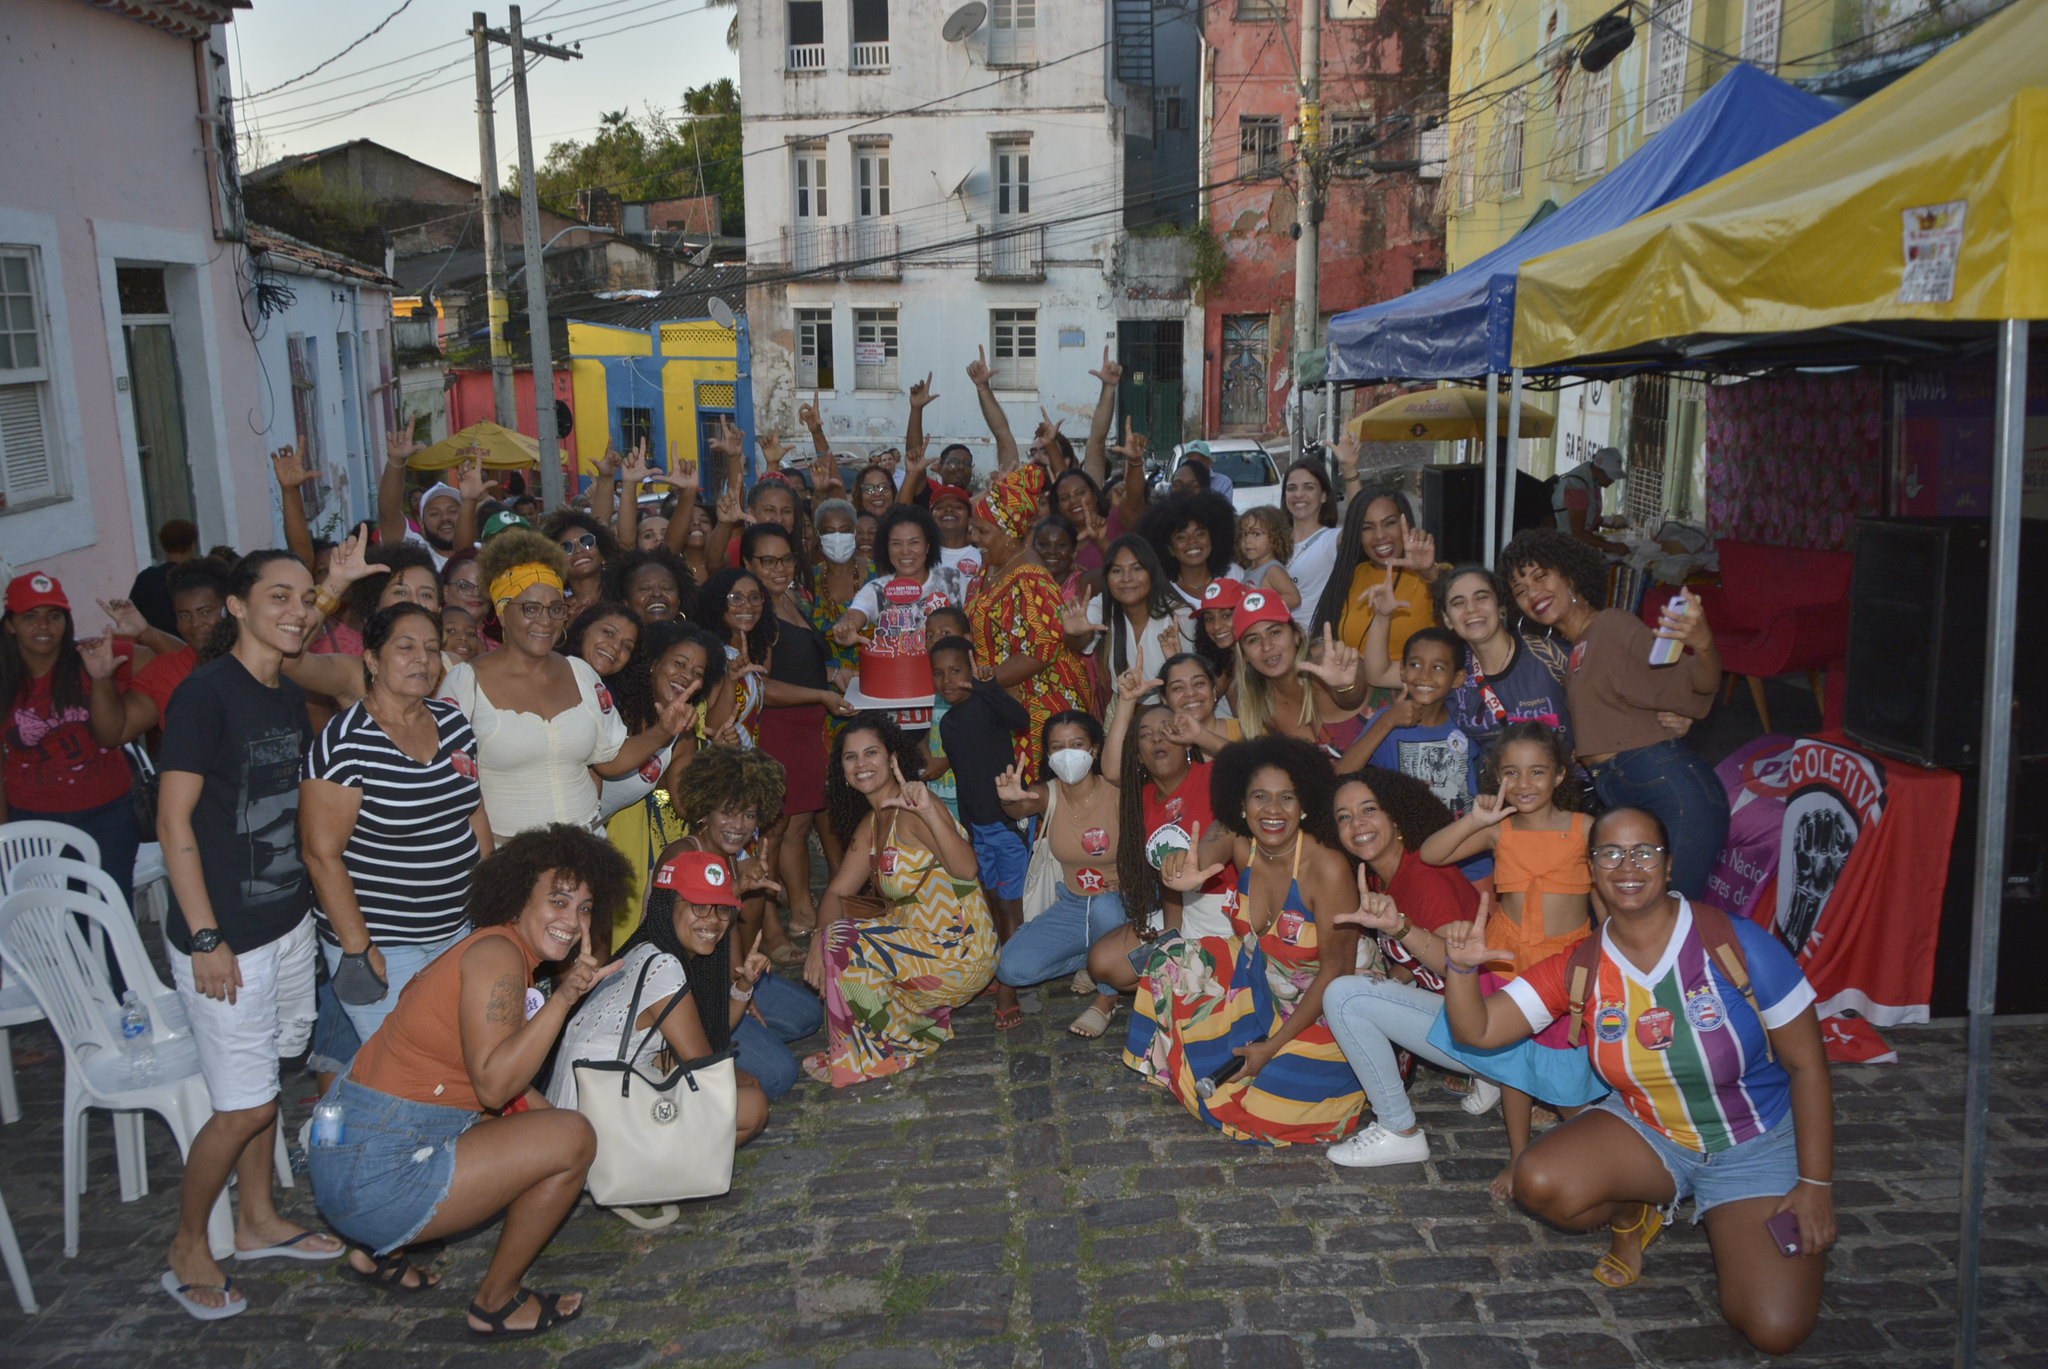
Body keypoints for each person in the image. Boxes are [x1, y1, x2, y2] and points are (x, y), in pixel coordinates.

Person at [1441, 808, 1834, 1354]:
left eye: (1644, 852)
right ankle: (1635, 1212)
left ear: (1669, 866)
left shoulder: (1735, 943)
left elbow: (1809, 1066)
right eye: (1610, 854)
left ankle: (1732, 1213)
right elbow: (1479, 1030)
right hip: (1652, 1133)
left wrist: (1815, 1186)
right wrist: (1459, 970)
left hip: (1754, 1144)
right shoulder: (1580, 965)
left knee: (1774, 1329)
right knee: (1540, 1182)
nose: (1629, 866)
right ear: (1592, 869)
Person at [310, 825, 634, 1337]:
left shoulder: (492, 949)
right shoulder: (501, 961)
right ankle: (496, 1304)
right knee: (574, 1139)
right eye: (558, 901)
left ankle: (378, 1256)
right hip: (374, 1175)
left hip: (340, 1155)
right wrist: (564, 999)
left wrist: (554, 1127)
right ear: (518, 896)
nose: (573, 921)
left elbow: (495, 1077)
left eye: (586, 907)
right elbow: (493, 1087)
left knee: (560, 1130)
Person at [155, 551, 344, 1319]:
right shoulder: (205, 696)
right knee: (238, 1104)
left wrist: (334, 586)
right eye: (278, 597)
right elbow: (172, 823)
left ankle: (258, 1217)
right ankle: (187, 1244)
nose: (297, 610)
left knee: (267, 1080)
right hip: (224, 935)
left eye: (305, 599)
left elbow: (301, 622)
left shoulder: (280, 686)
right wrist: (206, 938)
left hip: (286, 921)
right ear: (235, 605)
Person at [1135, 735, 1366, 1146]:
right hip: (1257, 985)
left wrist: (1274, 1047)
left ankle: (1238, 1058)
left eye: (1287, 798)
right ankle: (1200, 1059)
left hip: (1325, 1005)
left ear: (1306, 804)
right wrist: (1178, 869)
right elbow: (1200, 855)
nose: (1272, 811)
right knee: (1169, 959)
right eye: (1260, 797)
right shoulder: (1240, 841)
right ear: (1241, 803)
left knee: (1267, 1109)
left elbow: (1337, 973)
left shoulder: (1326, 868)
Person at [1418, 721, 1597, 1197]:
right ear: (1497, 777)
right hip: (1507, 959)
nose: (1523, 784)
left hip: (1564, 965)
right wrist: (1475, 821)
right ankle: (1519, 1154)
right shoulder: (1501, 831)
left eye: (1537, 772)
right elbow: (1433, 854)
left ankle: (1598, 1154)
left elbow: (1608, 901)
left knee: (1566, 1069)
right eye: (1511, 773)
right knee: (1512, 1065)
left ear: (1560, 775)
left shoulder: (1587, 830)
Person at [300, 603, 490, 1049]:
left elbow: (473, 812)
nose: (422, 660)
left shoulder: (454, 724)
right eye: (405, 648)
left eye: (431, 648)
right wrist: (359, 946)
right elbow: (320, 853)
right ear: (371, 659)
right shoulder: (344, 743)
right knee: (407, 1066)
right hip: (384, 944)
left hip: (456, 930)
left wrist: (488, 906)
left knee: (457, 1055)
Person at [1500, 529, 1726, 898]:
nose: (1533, 594)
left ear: (1570, 575)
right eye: (1520, 590)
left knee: (1667, 918)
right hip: (1628, 790)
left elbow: (1695, 683)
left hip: (1671, 791)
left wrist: (1703, 645)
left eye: (1541, 577)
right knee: (1637, 919)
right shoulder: (1577, 650)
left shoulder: (1612, 625)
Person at [442, 531, 689, 861]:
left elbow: (611, 760)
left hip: (587, 856)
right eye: (530, 608)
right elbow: (455, 791)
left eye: (555, 608)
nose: (544, 621)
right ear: (502, 611)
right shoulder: (464, 682)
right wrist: (489, 867)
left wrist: (663, 731)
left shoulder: (581, 673)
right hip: (507, 861)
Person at [806, 713, 996, 1086]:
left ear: (893, 756)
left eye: (871, 752)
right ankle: (900, 1033)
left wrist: (929, 810)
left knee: (844, 941)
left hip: (961, 949)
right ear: (841, 769)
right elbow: (836, 892)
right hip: (921, 942)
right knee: (835, 935)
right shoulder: (874, 822)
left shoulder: (912, 810)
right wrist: (817, 937)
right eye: (850, 757)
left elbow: (967, 869)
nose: (861, 764)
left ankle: (876, 1053)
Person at [1317, 766, 1492, 1168]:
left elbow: (1456, 968)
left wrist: (1401, 928)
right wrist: (1394, 977)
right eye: (1344, 817)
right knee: (1360, 984)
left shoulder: (1423, 876)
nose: (1356, 824)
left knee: (1343, 997)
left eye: (1369, 809)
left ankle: (1398, 1130)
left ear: (1395, 815)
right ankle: (1493, 1078)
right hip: (1470, 1019)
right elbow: (1421, 961)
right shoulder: (1383, 877)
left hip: (1487, 1023)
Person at [546, 849, 770, 1146]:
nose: (714, 920)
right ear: (667, 906)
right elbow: (707, 1070)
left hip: (598, 1103)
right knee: (752, 1104)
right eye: (699, 905)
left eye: (722, 908)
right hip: (595, 1123)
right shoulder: (663, 967)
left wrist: (743, 984)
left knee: (743, 1083)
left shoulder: (650, 950)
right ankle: (657, 1175)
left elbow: (712, 1034)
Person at [665, 744, 821, 1099]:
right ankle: (686, 1054)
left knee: (808, 1015)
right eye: (729, 813)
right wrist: (726, 1000)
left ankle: (732, 1037)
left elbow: (730, 929)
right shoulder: (683, 855)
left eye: (749, 815)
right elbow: (667, 943)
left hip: (718, 981)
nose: (739, 826)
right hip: (682, 997)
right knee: (780, 1075)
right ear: (705, 808)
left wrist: (741, 986)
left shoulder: (729, 855)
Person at [1, 572, 140, 912]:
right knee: (52, 923)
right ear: (10, 625)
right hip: (32, 821)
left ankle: (118, 969)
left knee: (110, 917)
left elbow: (180, 662)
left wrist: (143, 633)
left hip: (107, 814)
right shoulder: (4, 677)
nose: (44, 626)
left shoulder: (91, 655)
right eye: (30, 616)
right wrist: (5, 836)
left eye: (54, 615)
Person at [745, 521, 856, 943]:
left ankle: (798, 908)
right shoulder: (759, 613)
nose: (779, 567)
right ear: (748, 563)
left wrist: (831, 674)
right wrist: (821, 695)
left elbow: (795, 663)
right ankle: (790, 916)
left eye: (786, 558)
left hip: (807, 729)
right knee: (783, 829)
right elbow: (762, 687)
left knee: (798, 822)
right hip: (781, 730)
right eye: (767, 560)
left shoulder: (789, 598)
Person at [993, 712, 1127, 1039]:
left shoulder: (1118, 788)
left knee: (1106, 907)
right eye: (1057, 747)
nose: (1067, 753)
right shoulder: (1049, 793)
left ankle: (1107, 996)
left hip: (1121, 905)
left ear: (1095, 750)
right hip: (1071, 903)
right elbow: (1021, 806)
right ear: (1049, 756)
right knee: (1011, 968)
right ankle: (1096, 960)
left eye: (1076, 744)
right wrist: (1008, 801)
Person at [596, 621, 726, 937]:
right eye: (679, 664)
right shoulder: (613, 709)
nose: (687, 676)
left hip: (611, 842)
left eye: (697, 673)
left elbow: (686, 806)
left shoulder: (682, 738)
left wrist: (721, 762)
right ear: (654, 663)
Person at [1360, 564, 1571, 753]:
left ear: (1501, 607)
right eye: (1458, 603)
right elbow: (1378, 674)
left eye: (1481, 597)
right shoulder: (1455, 670)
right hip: (1499, 793)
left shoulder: (1549, 654)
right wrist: (1382, 615)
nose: (1471, 609)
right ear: (1447, 619)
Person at [931, 636, 1032, 1029]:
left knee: (1011, 906)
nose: (947, 681)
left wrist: (988, 686)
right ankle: (999, 967)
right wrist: (969, 829)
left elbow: (1020, 720)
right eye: (939, 674)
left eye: (956, 670)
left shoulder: (987, 705)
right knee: (991, 901)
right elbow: (963, 779)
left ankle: (1008, 985)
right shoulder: (948, 722)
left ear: (972, 668)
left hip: (1007, 825)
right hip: (979, 828)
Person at [967, 464, 1092, 771]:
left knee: (1034, 791)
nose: (975, 538)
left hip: (1037, 707)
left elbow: (1044, 649)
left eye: (983, 531)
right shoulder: (993, 566)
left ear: (1010, 535)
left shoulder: (1030, 577)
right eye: (975, 529)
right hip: (1001, 701)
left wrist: (986, 682)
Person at [1341, 628, 1483, 824]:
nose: (1425, 675)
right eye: (1415, 664)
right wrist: (1387, 722)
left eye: (1439, 667)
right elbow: (1341, 775)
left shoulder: (1468, 720)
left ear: (1458, 678)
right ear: (1403, 671)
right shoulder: (1388, 720)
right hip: (1411, 846)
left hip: (1469, 844)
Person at [1225, 591, 1368, 756]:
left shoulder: (1324, 660)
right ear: (1245, 656)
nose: (1266, 646)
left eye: (1275, 632)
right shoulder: (1261, 704)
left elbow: (1352, 698)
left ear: (1296, 636)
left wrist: (1345, 686)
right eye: (1254, 640)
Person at [1312, 483, 1438, 662]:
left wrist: (1429, 572)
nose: (1379, 535)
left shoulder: (1434, 575)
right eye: (1367, 528)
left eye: (1390, 523)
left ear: (1407, 523)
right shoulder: (1350, 576)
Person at [1069, 535, 1187, 719]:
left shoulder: (1178, 615)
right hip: (1123, 714)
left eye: (1136, 568)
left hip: (1173, 714)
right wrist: (1073, 633)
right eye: (1117, 571)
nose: (1126, 578)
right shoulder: (1103, 604)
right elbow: (1081, 639)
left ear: (1152, 572)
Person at [691, 568, 770, 746]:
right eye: (736, 598)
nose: (747, 605)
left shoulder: (746, 653)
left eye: (755, 597)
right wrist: (730, 680)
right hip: (718, 767)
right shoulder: (712, 653)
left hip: (744, 765)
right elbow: (714, 727)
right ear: (717, 603)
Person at [1140, 490, 1239, 613]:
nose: (1192, 541)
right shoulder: (1161, 592)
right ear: (1169, 547)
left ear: (1213, 539)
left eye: (1200, 534)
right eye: (1181, 537)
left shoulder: (1235, 575)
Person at [1281, 458, 1342, 632]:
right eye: (1291, 488)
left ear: (1324, 495)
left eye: (1309, 487)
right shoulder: (1272, 541)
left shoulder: (1331, 539)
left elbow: (1358, 521)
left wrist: (1349, 470)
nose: (1298, 494)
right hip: (1274, 646)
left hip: (1313, 645)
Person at [128, 517, 201, 637]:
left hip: (153, 645)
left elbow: (134, 613)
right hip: (187, 644)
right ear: (192, 544)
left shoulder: (146, 578)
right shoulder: (199, 578)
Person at [1553, 446, 1631, 554]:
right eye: (1610, 476)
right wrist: (1611, 547)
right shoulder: (1576, 488)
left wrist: (1609, 522)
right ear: (1599, 470)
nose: (1612, 481)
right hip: (1563, 547)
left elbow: (1587, 514)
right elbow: (1578, 533)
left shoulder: (1592, 482)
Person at [541, 509, 618, 608]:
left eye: (587, 542)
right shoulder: (557, 612)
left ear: (603, 553)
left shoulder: (624, 595)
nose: (578, 550)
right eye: (566, 547)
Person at [1236, 506, 1301, 611]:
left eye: (1256, 534)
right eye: (1244, 534)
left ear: (1275, 539)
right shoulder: (1249, 571)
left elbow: (1294, 599)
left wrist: (1263, 605)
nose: (1247, 540)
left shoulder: (1272, 569)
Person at [563, 602, 640, 682]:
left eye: (626, 646)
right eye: (609, 633)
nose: (617, 647)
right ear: (584, 630)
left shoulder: (610, 692)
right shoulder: (553, 673)